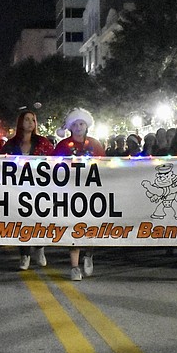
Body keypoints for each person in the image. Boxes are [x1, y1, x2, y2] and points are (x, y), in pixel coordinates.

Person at [0, 108, 55, 270]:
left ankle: (40, 249)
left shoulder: (43, 143)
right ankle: (24, 255)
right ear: (20, 123)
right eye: (27, 119)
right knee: (21, 222)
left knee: (39, 220)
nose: (31, 122)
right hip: (18, 190)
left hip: (39, 189)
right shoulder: (11, 144)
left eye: (33, 120)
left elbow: (54, 162)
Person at [53, 108, 104, 280]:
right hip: (70, 193)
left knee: (90, 226)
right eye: (75, 124)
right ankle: (74, 266)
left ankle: (88, 255)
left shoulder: (95, 145)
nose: (78, 127)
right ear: (70, 127)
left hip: (91, 192)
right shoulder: (62, 146)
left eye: (81, 123)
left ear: (87, 126)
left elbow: (105, 165)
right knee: (73, 227)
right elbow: (53, 167)